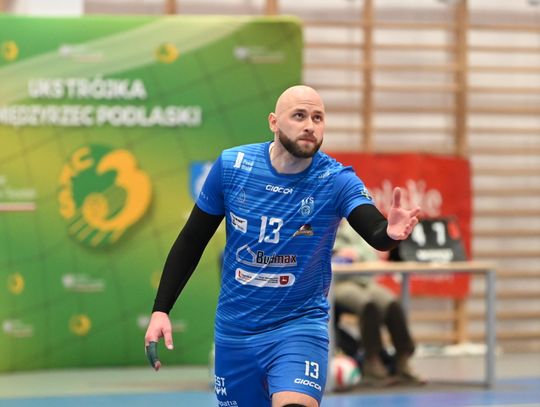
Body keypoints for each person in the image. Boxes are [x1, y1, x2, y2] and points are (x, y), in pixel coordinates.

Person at [144, 85, 420, 407]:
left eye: (318, 118)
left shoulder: (336, 179)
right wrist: (161, 309)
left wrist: (390, 232)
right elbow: (192, 240)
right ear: (274, 122)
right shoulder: (233, 167)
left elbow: (373, 230)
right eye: (299, 116)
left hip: (299, 327)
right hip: (236, 333)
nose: (310, 126)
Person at [332, 221, 426, 386]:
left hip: (364, 280)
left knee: (391, 304)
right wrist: (337, 255)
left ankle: (403, 358)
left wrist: (354, 254)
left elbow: (371, 256)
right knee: (367, 305)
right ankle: (372, 360)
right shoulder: (320, 226)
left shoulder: (354, 228)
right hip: (337, 283)